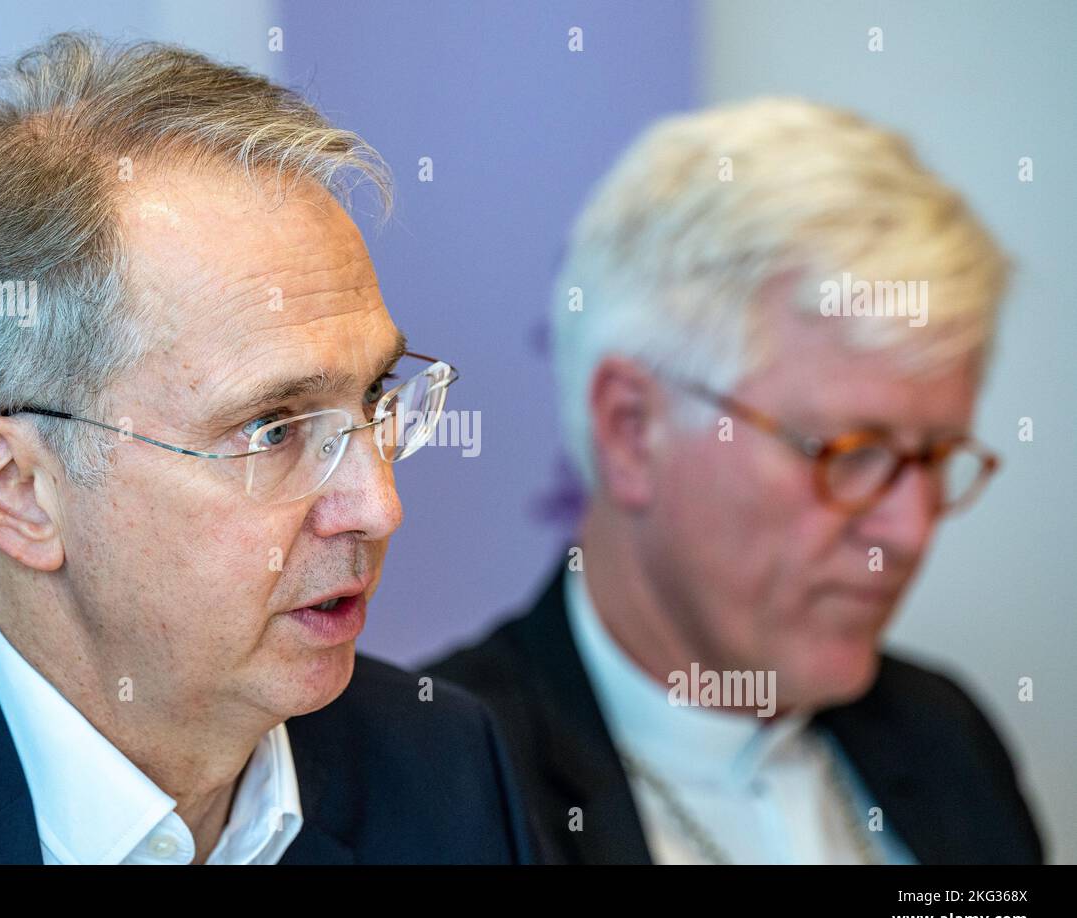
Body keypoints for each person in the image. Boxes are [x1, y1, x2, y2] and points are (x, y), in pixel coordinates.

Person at [0, 33, 534, 865]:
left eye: (373, 399)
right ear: (16, 489)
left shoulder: (446, 766)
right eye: (273, 429)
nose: (379, 507)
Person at [429, 97, 1043, 864]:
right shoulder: (440, 790)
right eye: (849, 453)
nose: (911, 529)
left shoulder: (944, 738)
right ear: (631, 429)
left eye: (935, 457)